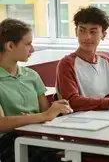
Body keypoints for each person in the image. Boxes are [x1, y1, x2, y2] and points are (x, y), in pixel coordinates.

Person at [0, 18, 72, 162]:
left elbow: (45, 111)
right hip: (10, 141)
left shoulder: (31, 75)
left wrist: (57, 108)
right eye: (28, 44)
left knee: (75, 150)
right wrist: (40, 116)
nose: (32, 49)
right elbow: (2, 124)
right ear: (10, 46)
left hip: (37, 133)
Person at [56, 6, 109, 112]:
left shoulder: (106, 62)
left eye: (93, 32)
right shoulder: (67, 64)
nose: (87, 37)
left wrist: (108, 99)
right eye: (82, 30)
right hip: (81, 122)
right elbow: (72, 102)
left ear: (103, 35)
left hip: (108, 117)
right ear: (76, 32)